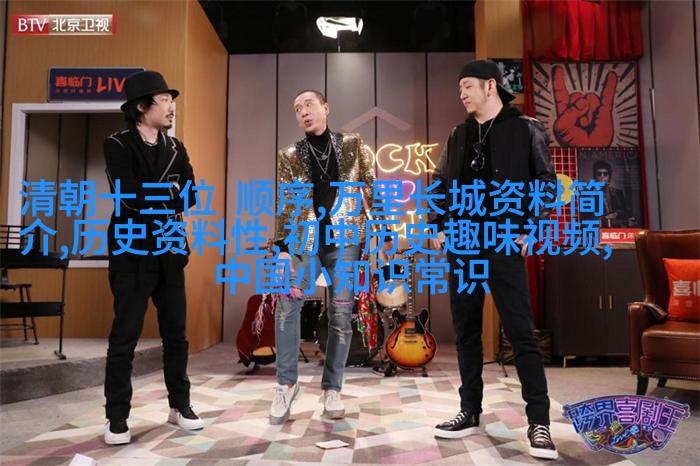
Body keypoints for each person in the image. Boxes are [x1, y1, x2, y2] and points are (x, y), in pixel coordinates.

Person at [429, 60, 558, 460]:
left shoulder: (526, 128)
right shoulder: (458, 134)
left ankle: (539, 422)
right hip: (464, 242)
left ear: (491, 86)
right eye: (459, 88)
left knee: (521, 333)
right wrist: (437, 225)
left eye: (467, 86)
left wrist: (531, 226)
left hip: (504, 242)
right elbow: (439, 182)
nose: (462, 94)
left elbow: (547, 183)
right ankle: (469, 410)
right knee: (466, 331)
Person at [269, 90, 392, 424]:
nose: (303, 111)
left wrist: (385, 233)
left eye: (308, 104)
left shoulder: (352, 144)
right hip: (304, 241)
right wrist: (282, 248)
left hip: (346, 240)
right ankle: (286, 384)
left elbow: (371, 186)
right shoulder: (288, 155)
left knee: (341, 314)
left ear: (325, 107)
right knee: (287, 305)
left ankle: (332, 388)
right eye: (297, 108)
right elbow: (286, 201)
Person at [103, 70, 204, 445]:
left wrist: (161, 193)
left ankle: (180, 405)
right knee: (124, 337)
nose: (171, 106)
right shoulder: (117, 144)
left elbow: (190, 195)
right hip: (131, 253)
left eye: (171, 100)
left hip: (170, 250)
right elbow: (127, 196)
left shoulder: (176, 147)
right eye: (164, 100)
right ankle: (116, 417)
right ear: (142, 107)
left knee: (176, 336)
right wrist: (169, 191)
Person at [592, 160, 631, 228]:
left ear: (609, 177)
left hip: (617, 228)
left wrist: (617, 213)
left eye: (605, 174)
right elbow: (587, 217)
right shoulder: (589, 194)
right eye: (599, 174)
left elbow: (626, 212)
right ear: (595, 177)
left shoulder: (618, 192)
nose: (602, 177)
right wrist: (605, 217)